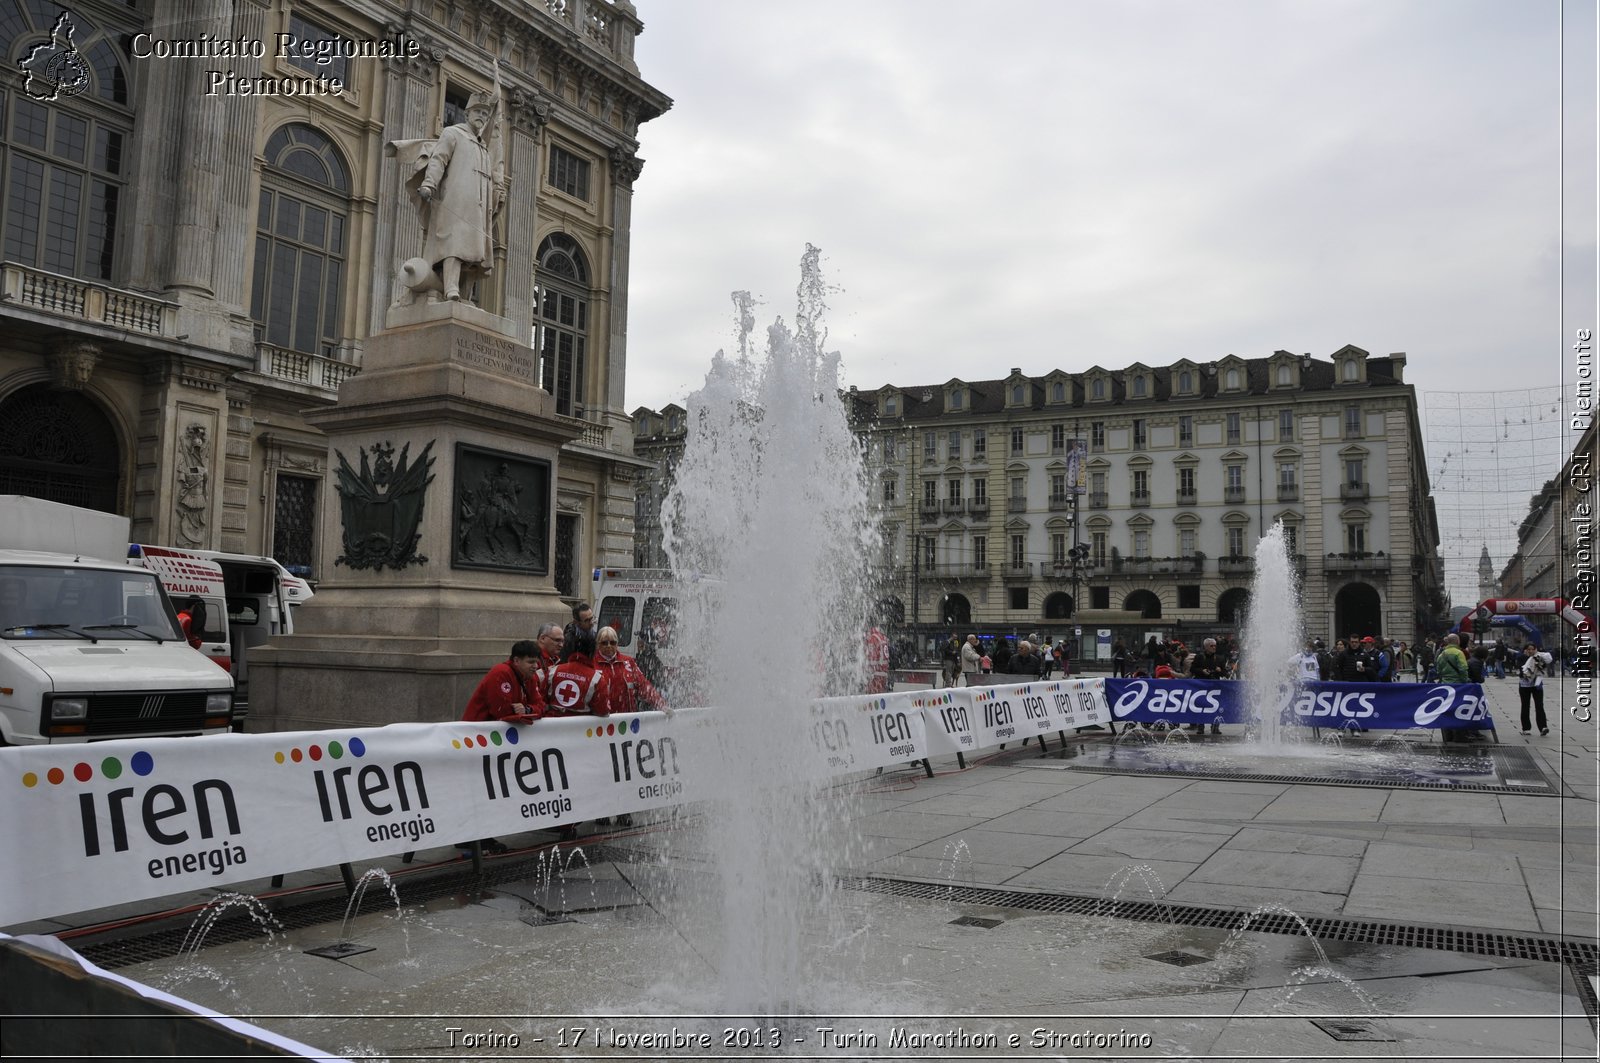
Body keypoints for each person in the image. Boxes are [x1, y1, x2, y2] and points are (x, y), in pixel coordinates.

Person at [413, 92, 505, 301]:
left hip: (478, 205)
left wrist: (496, 193)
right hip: (456, 198)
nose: (481, 116)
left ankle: (465, 293)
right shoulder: (453, 133)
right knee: (454, 243)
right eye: (477, 112)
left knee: (474, 251)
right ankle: (451, 288)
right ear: (467, 114)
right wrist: (429, 184)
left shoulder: (483, 146)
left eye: (485, 113)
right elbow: (439, 160)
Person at [458, 640, 545, 855]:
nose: (535, 667)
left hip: (498, 745)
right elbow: (501, 710)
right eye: (530, 662)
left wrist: (525, 708)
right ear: (516, 661)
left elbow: (541, 706)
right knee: (480, 790)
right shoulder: (501, 673)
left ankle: (482, 835)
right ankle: (474, 838)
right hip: (477, 741)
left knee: (491, 790)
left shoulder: (530, 678)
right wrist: (524, 711)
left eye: (537, 662)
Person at [591, 625, 668, 829]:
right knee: (604, 772)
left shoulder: (628, 663)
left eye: (613, 642)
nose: (609, 647)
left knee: (626, 771)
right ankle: (604, 811)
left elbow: (645, 688)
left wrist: (663, 706)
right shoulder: (592, 665)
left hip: (626, 730)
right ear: (598, 644)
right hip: (601, 731)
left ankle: (625, 810)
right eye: (604, 642)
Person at [1187, 637, 1227, 734]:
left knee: (1215, 707)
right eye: (1211, 646)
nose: (1214, 648)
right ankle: (1201, 727)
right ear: (1206, 647)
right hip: (1201, 686)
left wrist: (1220, 671)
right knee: (1201, 706)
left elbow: (1225, 673)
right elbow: (1192, 669)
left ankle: (1215, 727)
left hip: (1214, 686)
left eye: (1215, 646)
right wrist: (1202, 671)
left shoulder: (1219, 658)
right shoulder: (1199, 657)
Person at [1516, 643, 1553, 736]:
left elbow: (1543, 667)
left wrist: (1538, 664)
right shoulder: (1521, 657)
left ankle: (1543, 727)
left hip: (1537, 684)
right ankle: (1526, 728)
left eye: (1532, 649)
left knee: (1539, 705)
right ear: (1525, 650)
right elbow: (1521, 670)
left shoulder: (1539, 657)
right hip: (1524, 685)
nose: (1530, 651)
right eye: (1528, 649)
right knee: (1525, 706)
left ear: (1536, 650)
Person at [865, 624, 891, 694]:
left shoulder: (872, 638)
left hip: (875, 674)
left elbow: (872, 657)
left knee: (872, 700)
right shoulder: (882, 637)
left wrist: (866, 668)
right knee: (881, 698)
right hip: (883, 672)